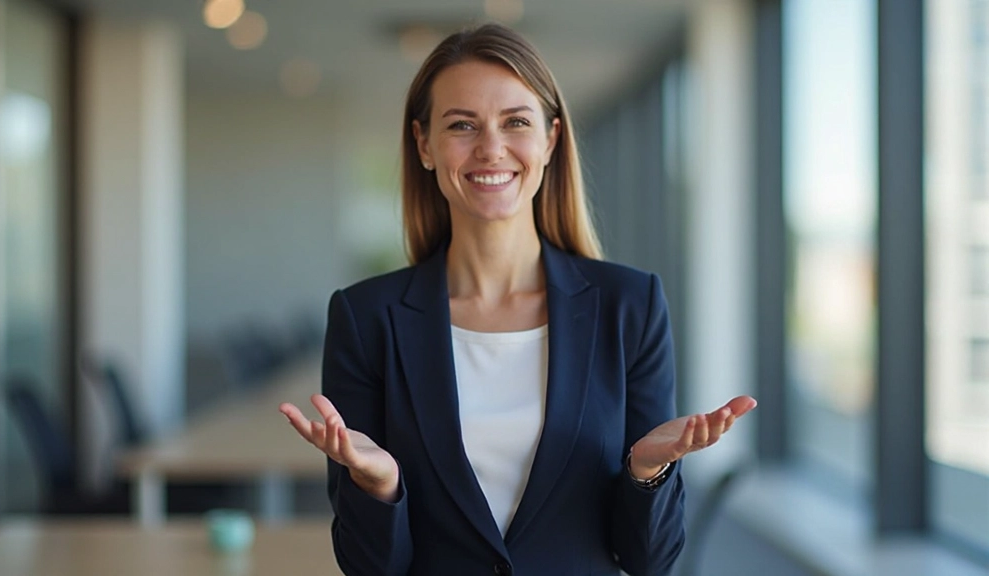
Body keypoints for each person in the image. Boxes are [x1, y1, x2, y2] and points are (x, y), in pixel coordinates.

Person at [279, 23, 756, 576]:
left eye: (516, 122)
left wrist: (646, 473)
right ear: (424, 144)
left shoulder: (630, 305)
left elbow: (650, 559)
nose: (491, 148)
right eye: (462, 124)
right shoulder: (366, 319)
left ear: (551, 140)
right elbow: (370, 568)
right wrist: (379, 485)